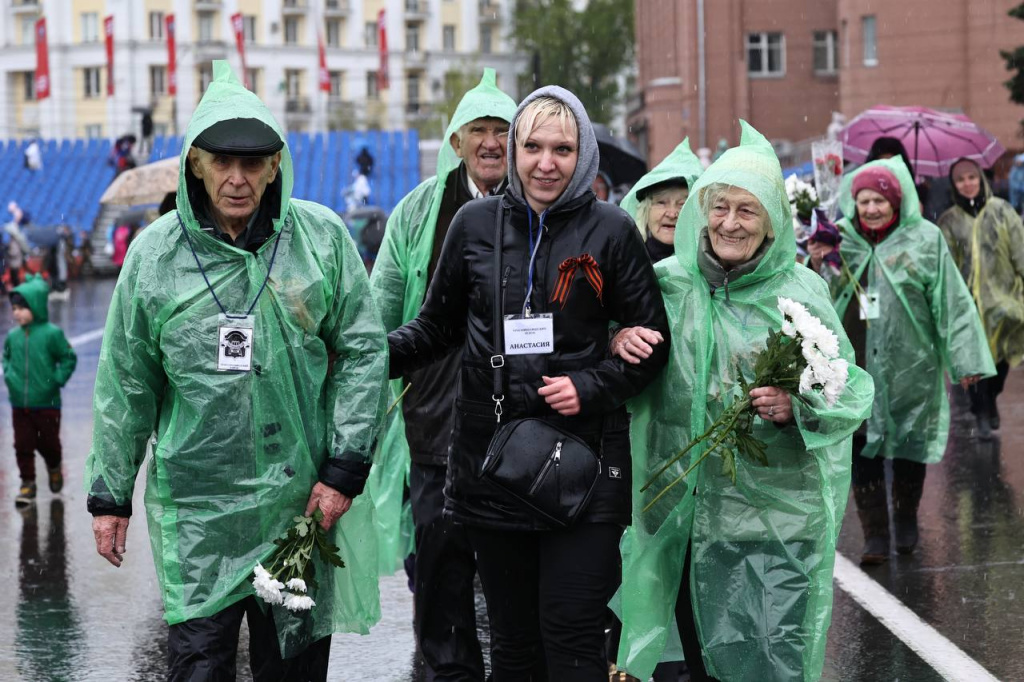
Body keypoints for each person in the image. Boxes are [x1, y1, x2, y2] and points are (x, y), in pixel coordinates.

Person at [84, 61, 389, 680]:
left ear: (276, 164)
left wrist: (344, 469)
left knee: (294, 668)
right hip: (199, 514)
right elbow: (127, 382)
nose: (237, 178)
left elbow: (362, 352)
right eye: (221, 161)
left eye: (253, 162)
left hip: (300, 506)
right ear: (194, 163)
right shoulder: (155, 257)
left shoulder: (321, 240)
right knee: (198, 668)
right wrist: (110, 495)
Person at [387, 86, 670, 680]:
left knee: (570, 639)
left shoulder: (612, 231)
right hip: (494, 464)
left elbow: (650, 346)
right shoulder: (474, 224)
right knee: (513, 646)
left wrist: (590, 386)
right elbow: (436, 329)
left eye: (563, 149)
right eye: (534, 146)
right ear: (515, 150)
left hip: (585, 463)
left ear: (583, 154)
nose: (547, 163)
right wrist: (364, 354)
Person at [612, 122, 874, 682]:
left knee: (769, 664)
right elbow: (604, 342)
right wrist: (616, 340)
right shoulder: (666, 283)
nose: (730, 223)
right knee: (692, 665)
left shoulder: (801, 292)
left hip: (775, 522)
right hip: (682, 516)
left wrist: (797, 406)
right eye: (720, 206)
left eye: (747, 212)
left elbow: (849, 386)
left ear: (773, 221)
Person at [369, 67, 516, 681]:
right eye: (477, 130)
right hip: (435, 422)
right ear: (455, 141)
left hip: (523, 422)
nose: (490, 143)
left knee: (515, 571)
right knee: (439, 561)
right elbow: (381, 306)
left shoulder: (543, 204)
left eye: (502, 131)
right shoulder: (415, 213)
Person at [808, 158, 994, 564]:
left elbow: (952, 302)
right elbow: (810, 296)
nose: (871, 209)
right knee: (861, 445)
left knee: (910, 442)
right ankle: (875, 534)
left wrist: (966, 360)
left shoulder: (924, 239)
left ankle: (906, 518)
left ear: (895, 202)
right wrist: (818, 260)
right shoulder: (837, 238)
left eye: (880, 201)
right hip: (854, 366)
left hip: (914, 362)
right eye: (864, 201)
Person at [937, 157, 1024, 437]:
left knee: (1000, 359)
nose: (967, 184)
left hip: (1002, 299)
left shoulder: (1002, 211)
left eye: (971, 177)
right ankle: (981, 409)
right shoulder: (948, 221)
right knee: (973, 361)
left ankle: (992, 398)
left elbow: (1020, 251)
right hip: (967, 305)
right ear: (954, 185)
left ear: (981, 178)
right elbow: (944, 263)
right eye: (961, 179)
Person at [4, 275, 77, 507]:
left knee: (49, 445)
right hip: (19, 404)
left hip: (47, 404)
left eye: (22, 308)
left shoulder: (51, 334)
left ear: (35, 306)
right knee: (22, 445)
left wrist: (55, 380)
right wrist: (9, 376)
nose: (17, 313)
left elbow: (68, 358)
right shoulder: (13, 336)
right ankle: (27, 484)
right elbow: (6, 358)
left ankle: (54, 466)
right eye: (14, 309)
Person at [620, 137, 704, 263]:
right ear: (645, 210)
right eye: (661, 203)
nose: (671, 214)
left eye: (682, 204)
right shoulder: (627, 262)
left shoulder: (710, 268)